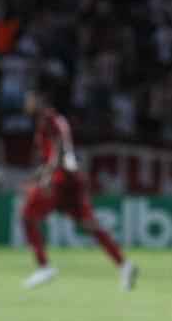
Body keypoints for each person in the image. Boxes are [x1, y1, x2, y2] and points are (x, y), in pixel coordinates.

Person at [20, 85, 138, 291]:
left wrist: (47, 176)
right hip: (71, 177)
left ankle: (44, 267)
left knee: (27, 215)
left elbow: (58, 150)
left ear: (40, 99)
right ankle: (124, 264)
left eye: (29, 98)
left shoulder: (47, 119)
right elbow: (60, 152)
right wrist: (39, 174)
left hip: (60, 178)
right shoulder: (57, 119)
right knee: (89, 224)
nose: (26, 103)